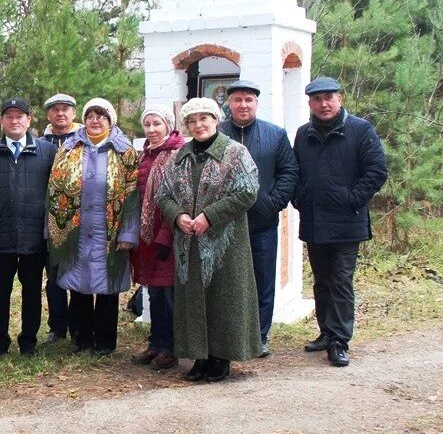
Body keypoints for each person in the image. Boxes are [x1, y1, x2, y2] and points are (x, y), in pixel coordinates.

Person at [156, 98, 261, 382]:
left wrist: (209, 216)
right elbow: (162, 195)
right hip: (188, 243)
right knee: (192, 301)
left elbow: (247, 192)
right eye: (191, 121)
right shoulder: (179, 156)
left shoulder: (235, 152)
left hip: (225, 243)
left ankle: (221, 357)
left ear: (215, 120)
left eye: (204, 119)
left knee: (222, 299)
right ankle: (199, 356)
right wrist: (177, 216)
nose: (198, 125)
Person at [293, 77, 387, 367]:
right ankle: (326, 332)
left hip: (348, 222)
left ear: (340, 99)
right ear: (310, 103)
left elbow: (377, 171)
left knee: (341, 280)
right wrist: (301, 199)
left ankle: (339, 341)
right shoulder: (303, 133)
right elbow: (295, 171)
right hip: (315, 219)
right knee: (321, 281)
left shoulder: (359, 129)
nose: (324, 104)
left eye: (329, 98)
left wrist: (351, 199)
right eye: (317, 99)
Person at [47, 98, 139, 356]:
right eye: (90, 116)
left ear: (110, 120)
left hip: (109, 232)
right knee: (79, 286)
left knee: (106, 287)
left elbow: (133, 196)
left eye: (101, 116)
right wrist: (56, 228)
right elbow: (54, 190)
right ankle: (81, 338)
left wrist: (129, 233)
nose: (95, 120)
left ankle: (105, 341)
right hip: (76, 230)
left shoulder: (125, 152)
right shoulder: (68, 148)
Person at [218, 80, 298, 357]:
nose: (242, 105)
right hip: (224, 225)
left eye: (248, 100)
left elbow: (289, 172)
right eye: (237, 99)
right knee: (228, 281)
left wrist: (273, 203)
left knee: (262, 280)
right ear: (228, 103)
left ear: (256, 103)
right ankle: (229, 335)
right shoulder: (217, 133)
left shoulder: (275, 135)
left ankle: (259, 336)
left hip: (261, 223)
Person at [0, 97, 55, 360]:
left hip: (35, 238)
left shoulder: (46, 151)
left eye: (20, 116)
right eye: (9, 116)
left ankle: (28, 341)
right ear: (1, 121)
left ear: (29, 120)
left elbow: (55, 198)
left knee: (32, 291)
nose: (14, 120)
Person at [130, 107, 185, 370]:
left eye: (157, 124)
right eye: (148, 124)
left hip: (168, 237)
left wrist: (165, 235)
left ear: (168, 126)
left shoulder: (176, 154)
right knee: (154, 293)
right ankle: (156, 343)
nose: (151, 129)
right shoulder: (145, 154)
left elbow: (177, 198)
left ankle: (172, 347)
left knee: (170, 294)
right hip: (146, 236)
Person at [40, 93, 81, 345]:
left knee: (76, 274)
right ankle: (58, 326)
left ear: (74, 114)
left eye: (66, 109)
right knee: (53, 276)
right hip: (49, 220)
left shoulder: (84, 140)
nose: (61, 114)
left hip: (78, 219)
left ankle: (78, 326)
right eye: (55, 110)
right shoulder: (40, 142)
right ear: (48, 115)